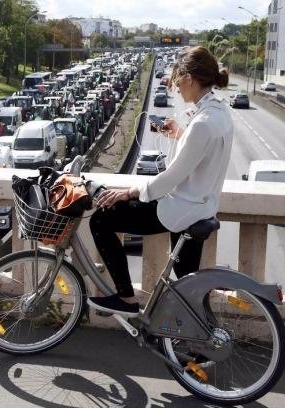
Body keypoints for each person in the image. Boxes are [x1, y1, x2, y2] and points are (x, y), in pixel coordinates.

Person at [87, 46, 234, 318]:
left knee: (101, 220)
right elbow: (203, 153)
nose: (176, 87)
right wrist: (180, 135)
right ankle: (203, 338)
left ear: (189, 78)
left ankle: (126, 297)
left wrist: (129, 192)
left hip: (182, 209)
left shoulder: (202, 123)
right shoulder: (220, 112)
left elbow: (170, 179)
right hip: (202, 207)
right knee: (188, 287)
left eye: (178, 80)